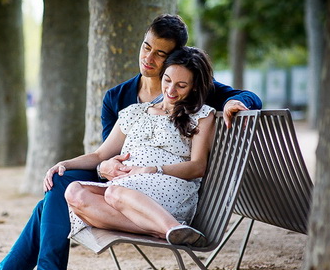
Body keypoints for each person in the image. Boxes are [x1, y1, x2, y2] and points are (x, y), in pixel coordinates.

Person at [0, 14, 262, 270]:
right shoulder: (119, 98)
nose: (150, 59)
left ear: (177, 56)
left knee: (48, 207)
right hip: (116, 181)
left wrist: (238, 103)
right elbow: (104, 155)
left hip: (154, 187)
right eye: (147, 47)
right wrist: (97, 166)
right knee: (57, 187)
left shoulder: (190, 86)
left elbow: (245, 97)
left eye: (161, 54)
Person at [57, 46, 215, 246]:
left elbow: (198, 166)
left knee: (114, 193)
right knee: (74, 192)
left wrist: (154, 169)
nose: (171, 90)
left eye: (181, 85)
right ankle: (166, 230)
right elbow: (99, 155)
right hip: (127, 188)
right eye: (167, 80)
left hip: (170, 190)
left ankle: (169, 226)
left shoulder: (201, 115)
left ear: (193, 87)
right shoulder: (135, 112)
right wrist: (65, 163)